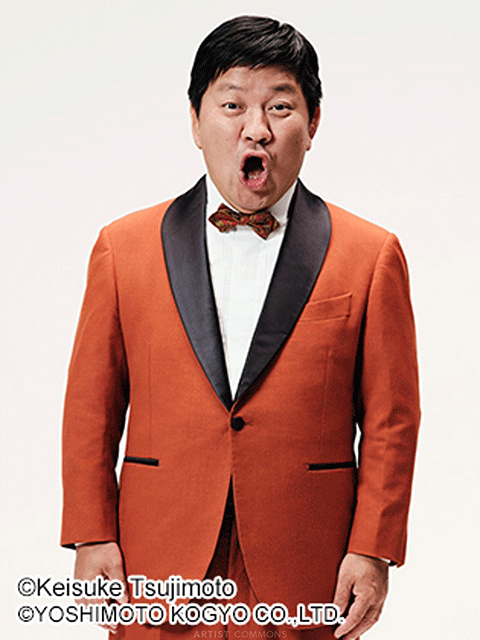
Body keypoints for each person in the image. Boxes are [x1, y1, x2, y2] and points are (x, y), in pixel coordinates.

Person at [61, 15, 420, 640]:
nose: (257, 128)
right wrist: (91, 534)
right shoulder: (123, 248)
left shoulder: (370, 254)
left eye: (280, 107)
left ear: (312, 123)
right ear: (196, 121)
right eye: (232, 105)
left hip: (307, 562)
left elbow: (392, 419)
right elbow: (92, 406)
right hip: (157, 557)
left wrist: (374, 548)